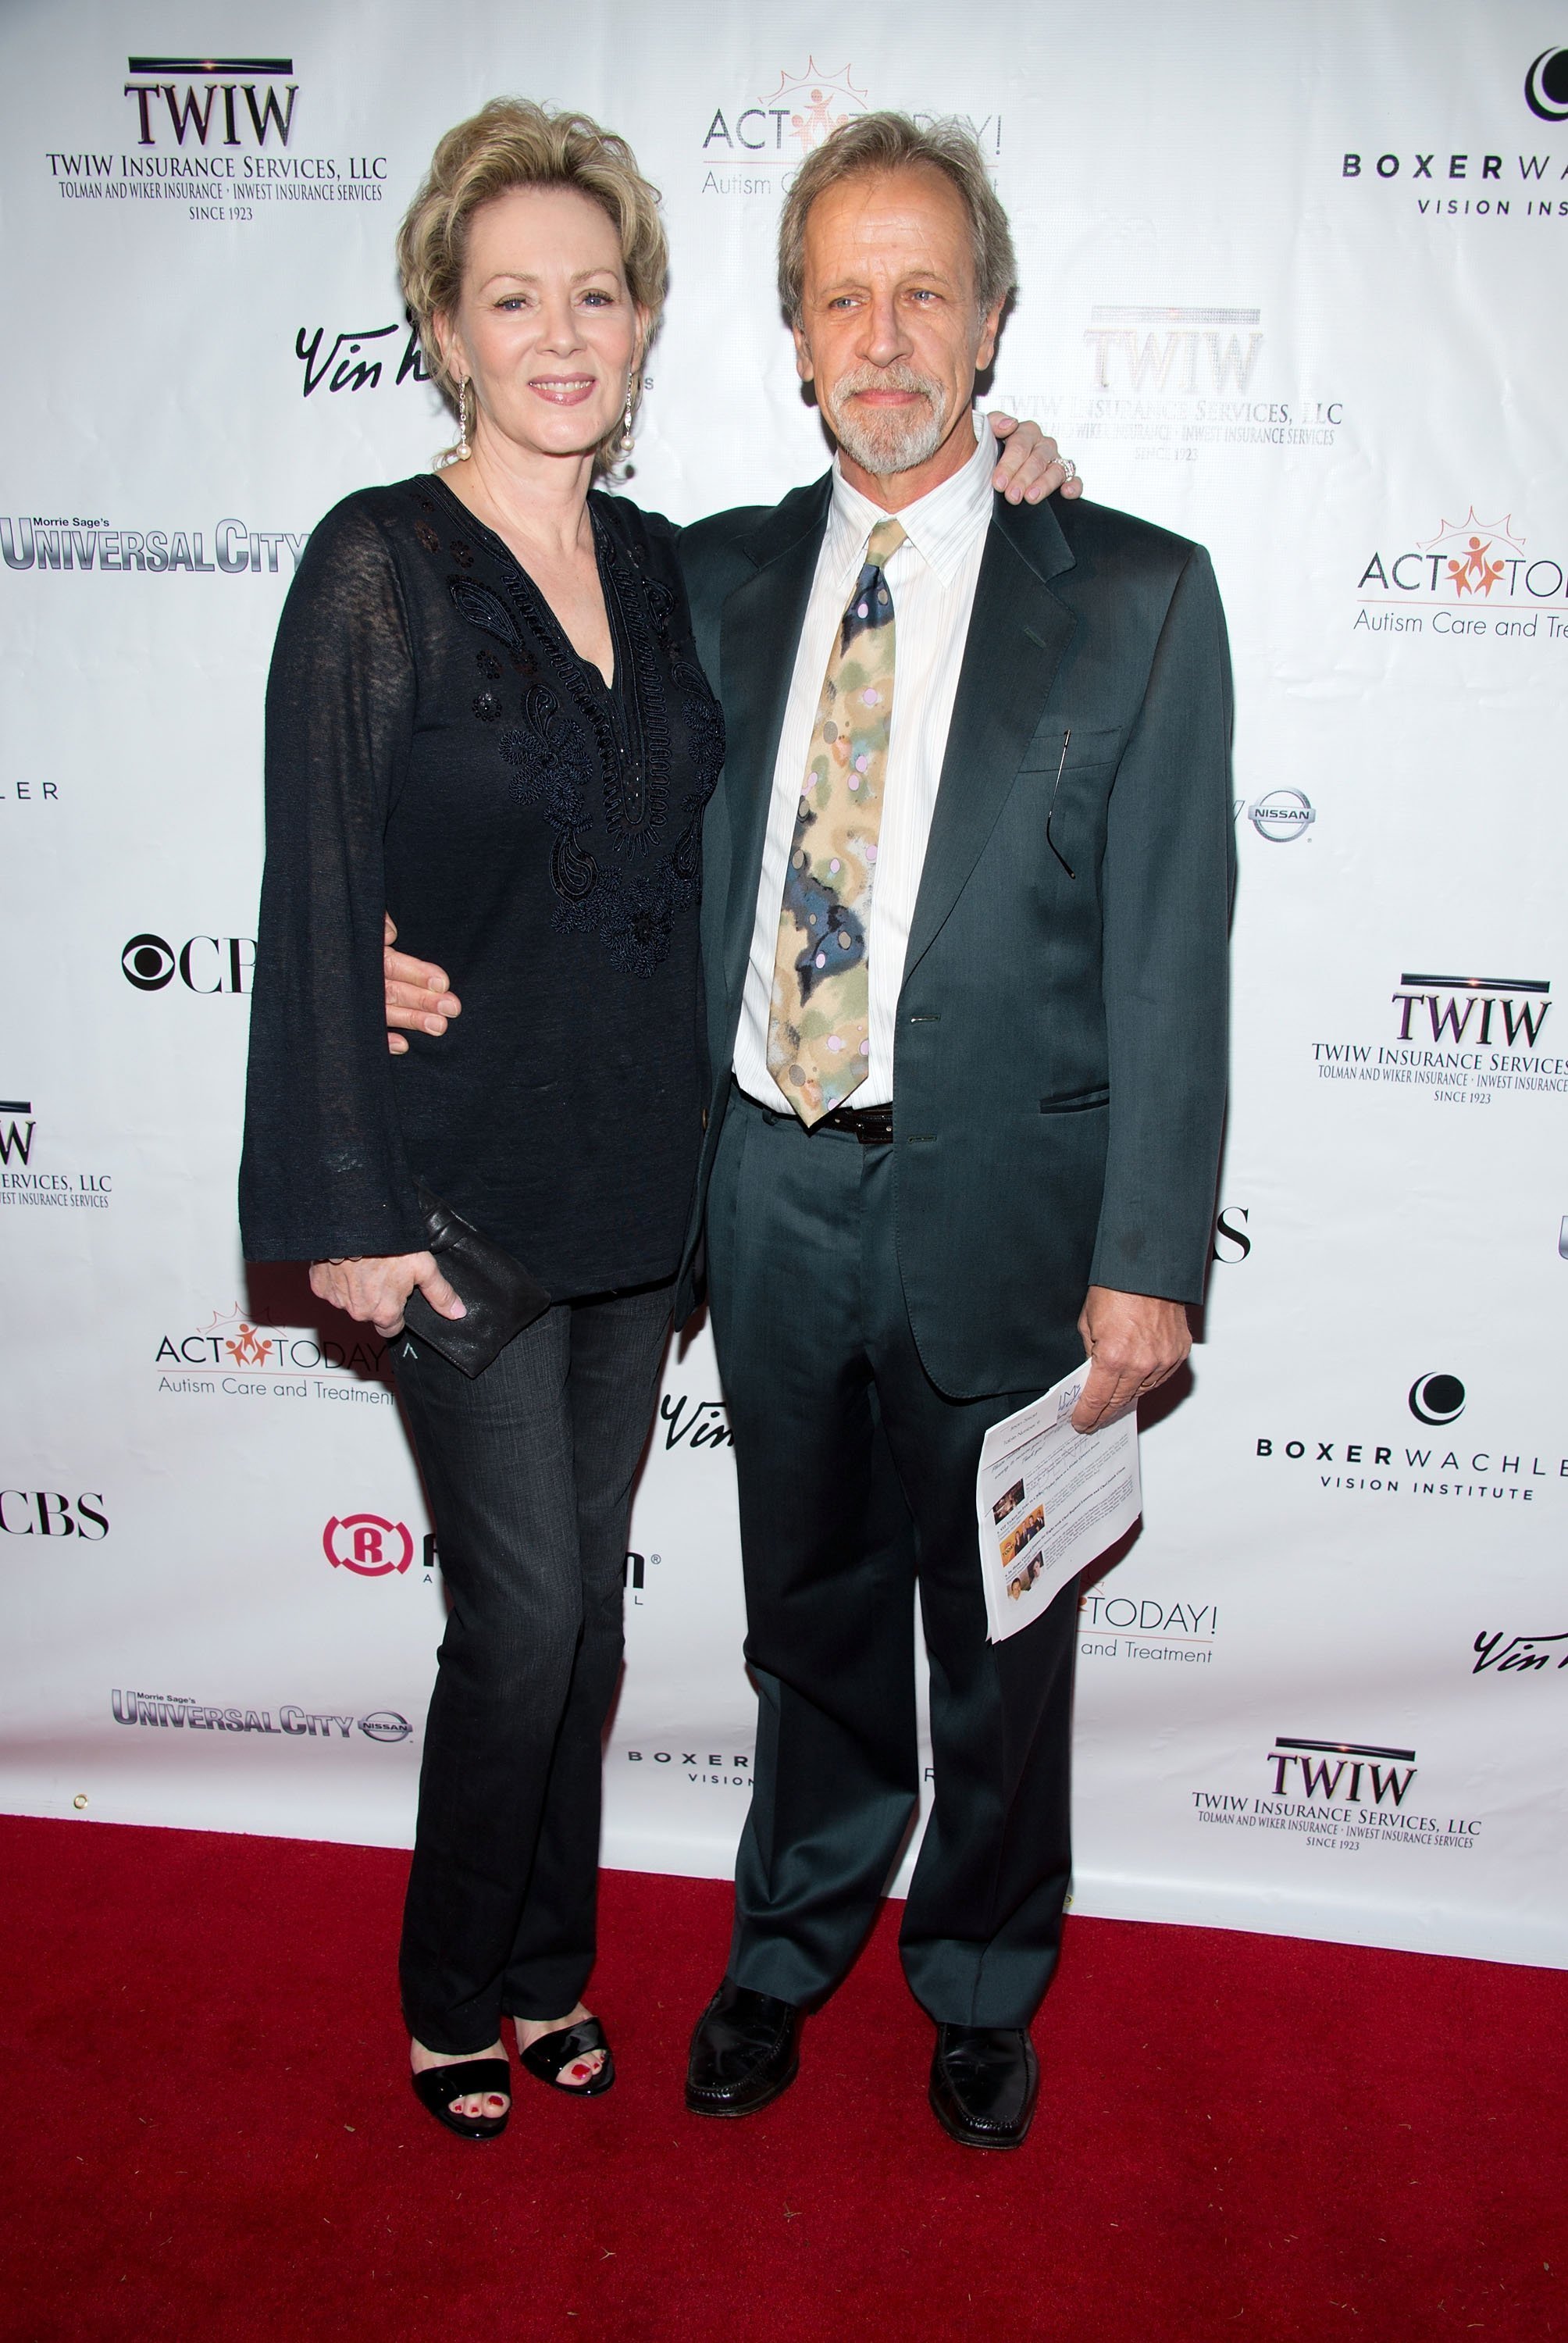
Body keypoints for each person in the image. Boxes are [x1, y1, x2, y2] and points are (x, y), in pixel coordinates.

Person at [243, 98, 1072, 2146]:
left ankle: (550, 1969)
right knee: (518, 1622)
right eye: (511, 297)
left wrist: (1027, 470)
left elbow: (906, 555)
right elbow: (317, 875)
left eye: (594, 295)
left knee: (593, 1625)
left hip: (651, 1202)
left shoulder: (670, 560)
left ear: (644, 324)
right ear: (442, 327)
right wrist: (336, 1192)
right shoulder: (376, 562)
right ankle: (455, 1988)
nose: (557, 334)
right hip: (450, 1200)